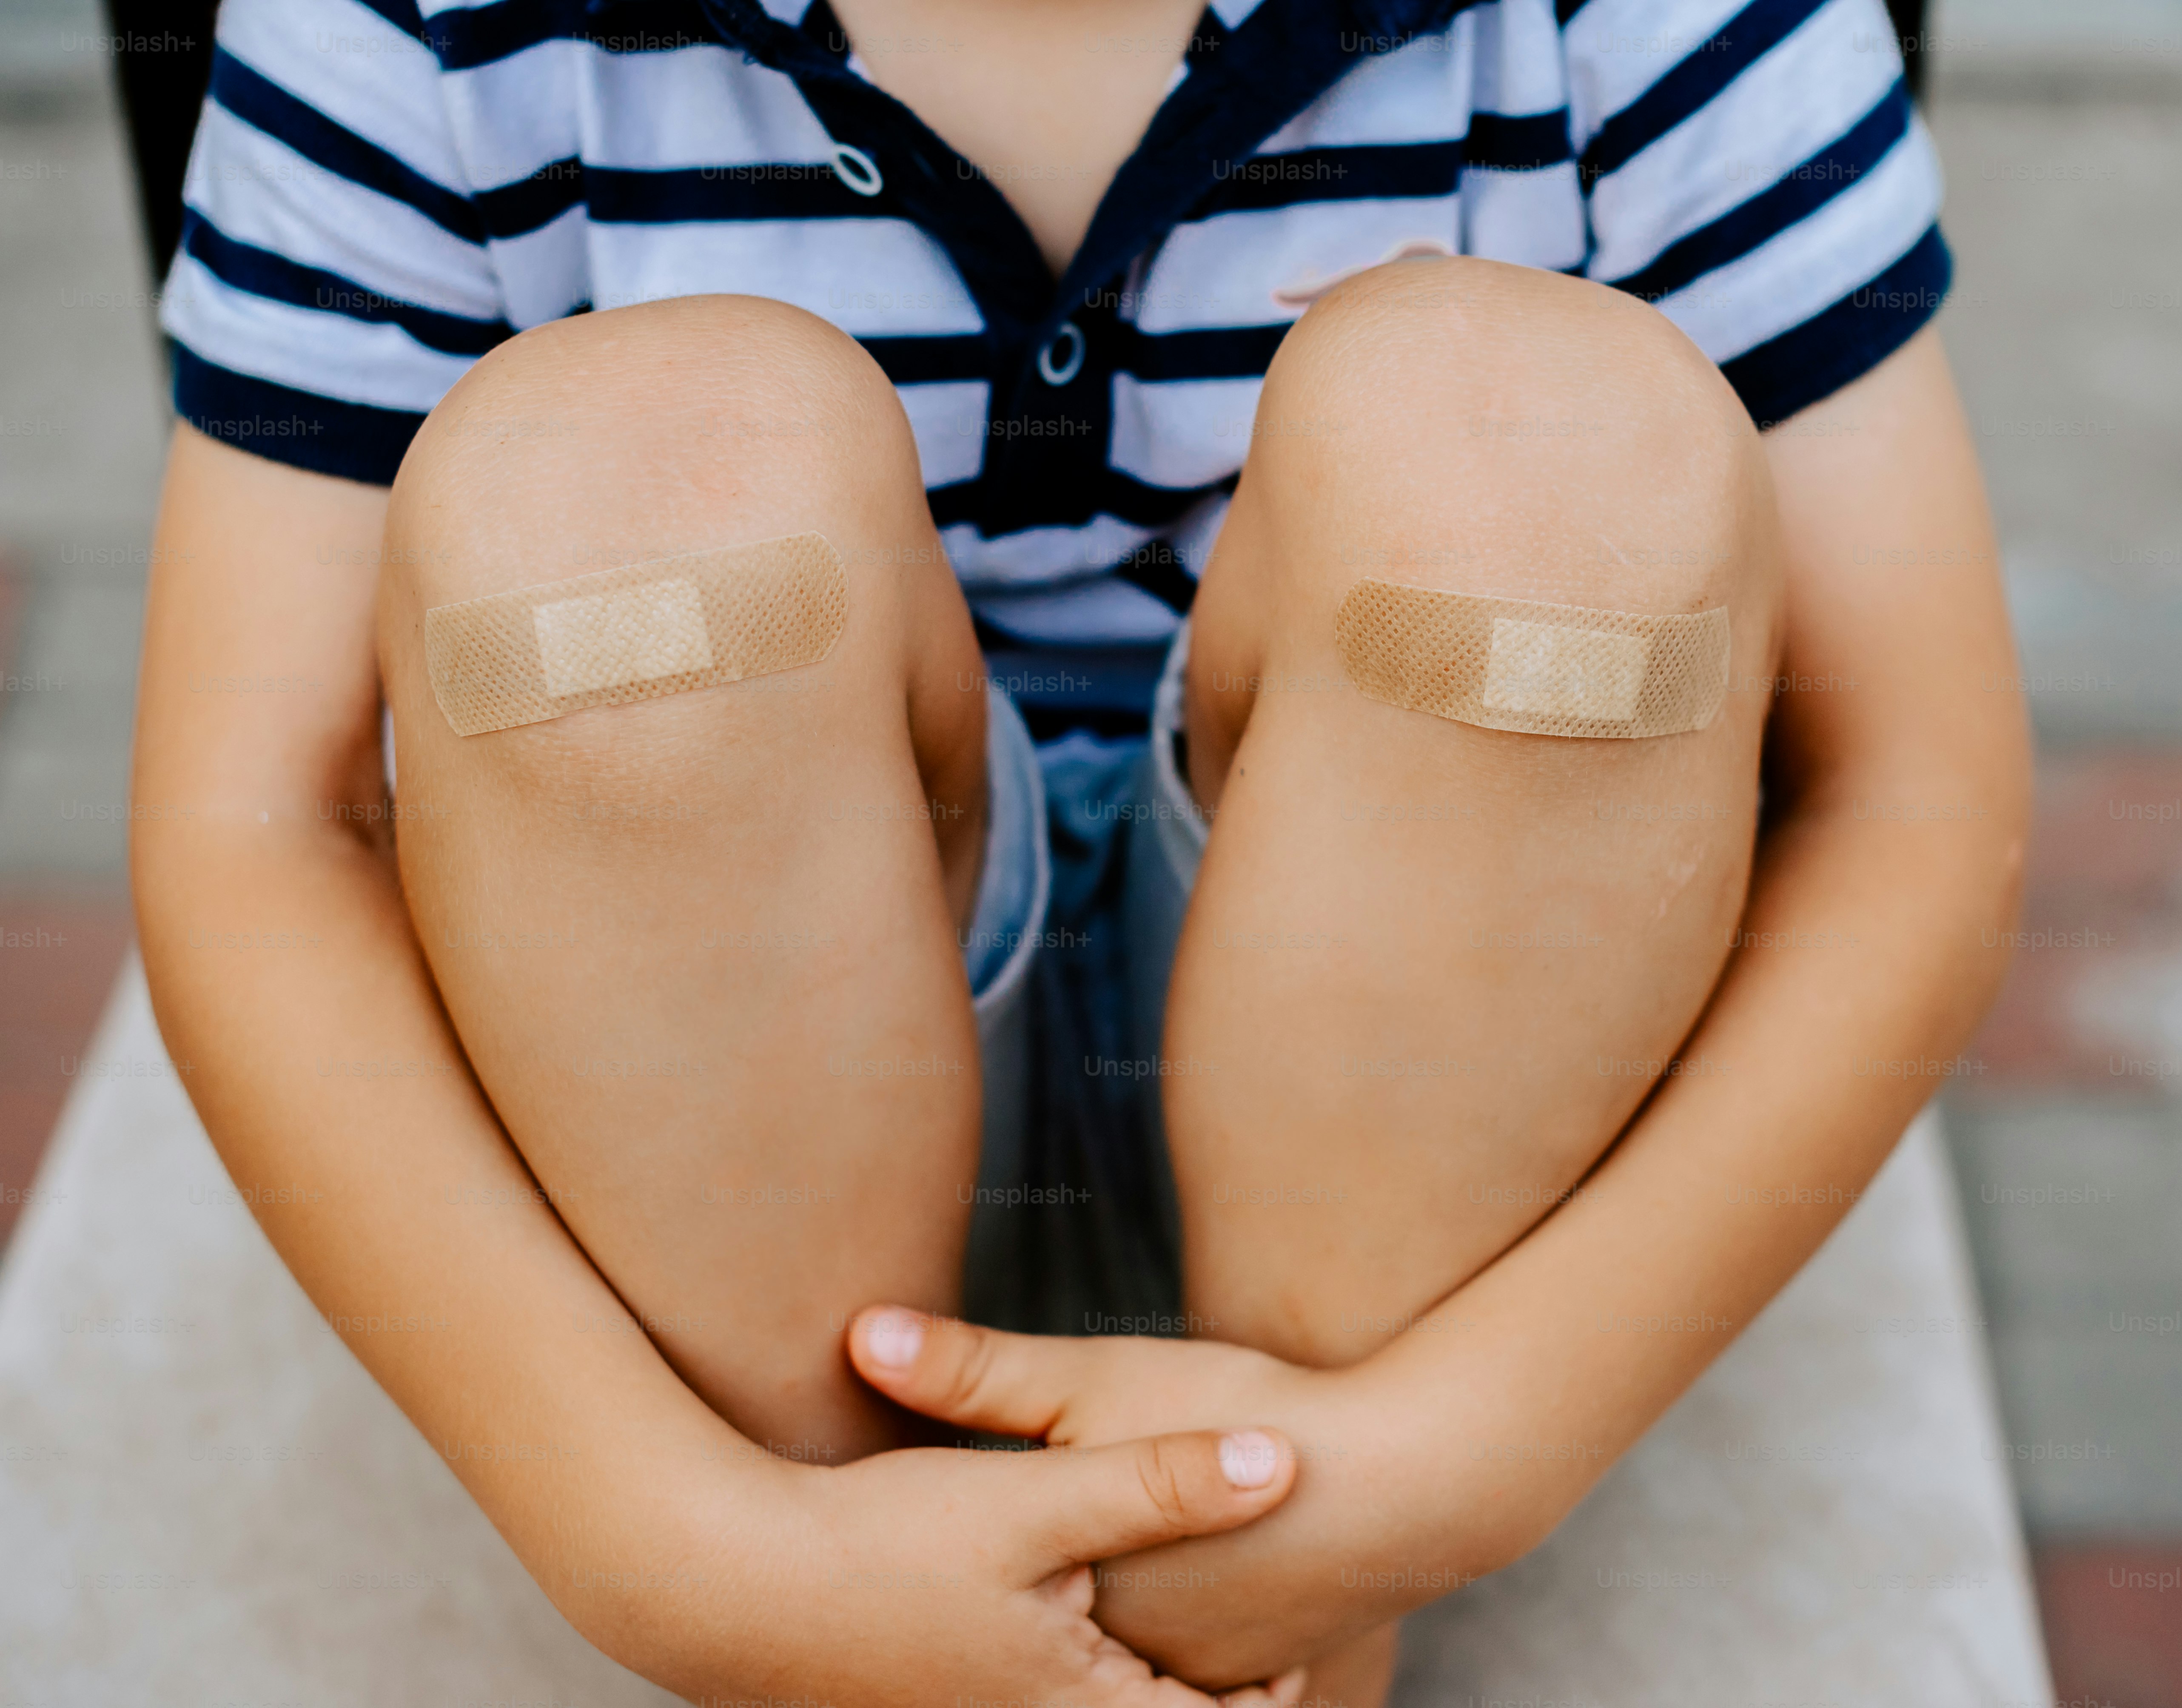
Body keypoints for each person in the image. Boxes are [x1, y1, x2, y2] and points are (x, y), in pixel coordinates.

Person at [129, 0, 2029, 1701]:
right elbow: (253, 821)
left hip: (1435, 1036)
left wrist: (1468, 1444)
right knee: (630, 494)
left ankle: (1271, 1602)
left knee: (1536, 448)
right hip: (715, 1047)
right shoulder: (416, 27)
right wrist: (662, 1536)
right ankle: (859, 1598)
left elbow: (1911, 789)